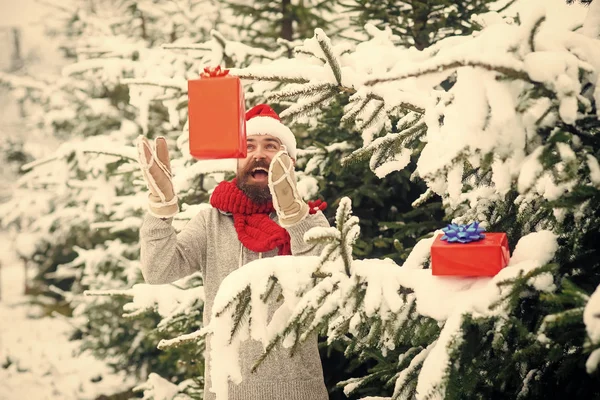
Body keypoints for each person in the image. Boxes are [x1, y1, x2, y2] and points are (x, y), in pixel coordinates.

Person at [136, 104, 329, 400]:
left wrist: (294, 215)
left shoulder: (310, 220)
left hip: (299, 391)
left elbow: (326, 285)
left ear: (289, 161)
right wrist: (160, 210)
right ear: (237, 161)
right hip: (226, 393)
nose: (259, 154)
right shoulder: (210, 222)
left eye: (271, 146)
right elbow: (159, 270)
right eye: (248, 146)